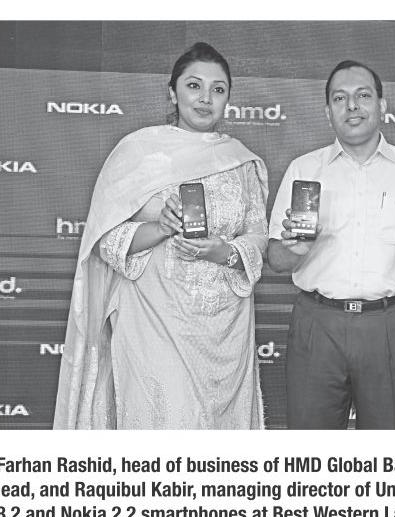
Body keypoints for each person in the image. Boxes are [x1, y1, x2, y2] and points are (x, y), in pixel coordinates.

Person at [53, 42, 268, 429]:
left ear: (228, 99)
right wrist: (160, 228)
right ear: (172, 92)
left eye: (218, 89)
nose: (205, 98)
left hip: (226, 331)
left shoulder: (241, 160)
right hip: (155, 321)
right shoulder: (139, 153)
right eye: (194, 86)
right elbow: (103, 241)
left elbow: (257, 237)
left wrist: (224, 252)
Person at [267, 60, 395, 430]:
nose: (352, 106)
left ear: (382, 105)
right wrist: (294, 251)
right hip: (317, 324)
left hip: (391, 326)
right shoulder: (304, 169)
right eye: (340, 98)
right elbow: (275, 258)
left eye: (363, 96)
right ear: (327, 111)